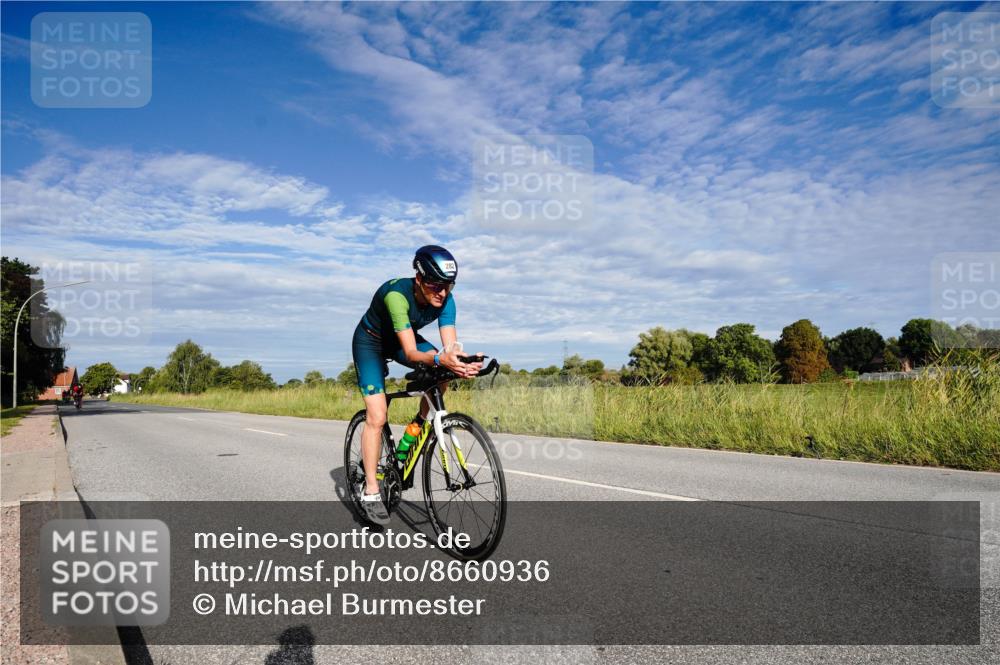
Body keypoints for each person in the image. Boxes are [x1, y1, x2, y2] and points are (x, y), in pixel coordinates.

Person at [351, 245, 482, 525]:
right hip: (371, 342)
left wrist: (461, 361)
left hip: (403, 339)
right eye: (435, 285)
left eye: (448, 286)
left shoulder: (446, 299)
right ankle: (371, 490)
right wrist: (440, 358)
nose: (442, 293)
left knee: (443, 375)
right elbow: (411, 353)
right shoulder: (397, 295)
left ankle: (414, 432)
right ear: (419, 279)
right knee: (377, 416)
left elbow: (450, 347)